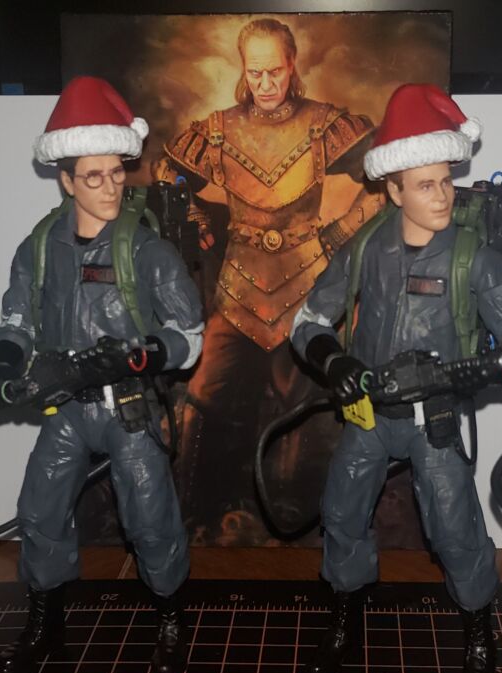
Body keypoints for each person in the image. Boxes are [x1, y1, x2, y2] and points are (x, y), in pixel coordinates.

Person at [290, 84, 502, 673]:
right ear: (393, 190)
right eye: (425, 185)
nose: (443, 195)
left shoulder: (474, 259)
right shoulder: (366, 249)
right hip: (370, 412)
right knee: (342, 513)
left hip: (435, 417)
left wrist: (450, 377)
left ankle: (478, 634)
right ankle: (345, 616)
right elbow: (308, 321)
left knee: (454, 529)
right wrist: (337, 363)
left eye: (446, 181)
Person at [0, 77, 204, 673]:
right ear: (66, 180)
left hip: (127, 407)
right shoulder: (40, 248)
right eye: (93, 177)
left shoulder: (147, 251)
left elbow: (190, 336)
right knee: (39, 510)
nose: (110, 187)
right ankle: (46, 624)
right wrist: (4, 364)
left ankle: (170, 617)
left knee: (149, 517)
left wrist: (136, 358)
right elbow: (16, 318)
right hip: (68, 409)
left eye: (116, 173)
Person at [154, 17, 383, 530]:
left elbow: (385, 174)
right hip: (238, 289)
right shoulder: (219, 130)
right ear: (244, 69)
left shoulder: (323, 124)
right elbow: (168, 171)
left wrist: (338, 235)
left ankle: (304, 522)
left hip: (308, 289)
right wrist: (194, 218)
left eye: (274, 71)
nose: (264, 83)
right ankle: (195, 518)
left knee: (312, 405)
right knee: (205, 395)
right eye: (254, 72)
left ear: (291, 64)